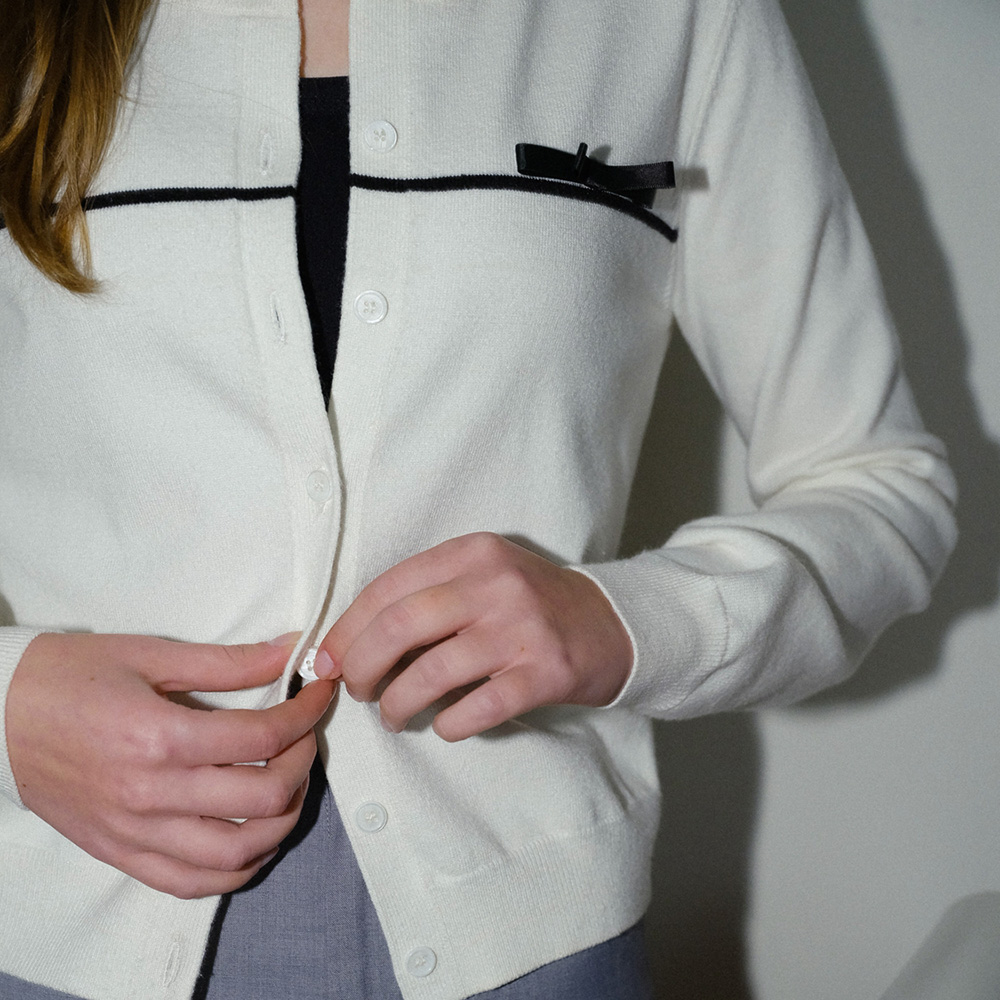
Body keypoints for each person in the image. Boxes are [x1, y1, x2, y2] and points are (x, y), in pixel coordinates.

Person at [0, 0, 957, 997]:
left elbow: (883, 486)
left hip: (530, 946)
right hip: (53, 927)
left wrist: (629, 620)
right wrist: (8, 709)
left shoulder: (669, 18)